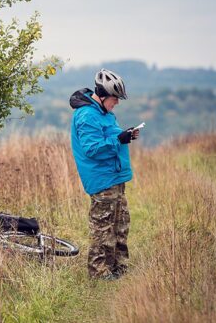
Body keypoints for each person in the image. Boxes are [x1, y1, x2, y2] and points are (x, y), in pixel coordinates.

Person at [68, 68, 140, 280]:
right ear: (102, 95)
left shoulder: (105, 113)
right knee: (103, 228)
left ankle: (119, 268)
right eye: (114, 98)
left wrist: (124, 135)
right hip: (102, 179)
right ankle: (99, 273)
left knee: (120, 224)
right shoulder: (87, 116)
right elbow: (92, 148)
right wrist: (119, 140)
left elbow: (110, 137)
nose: (117, 103)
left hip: (115, 175)